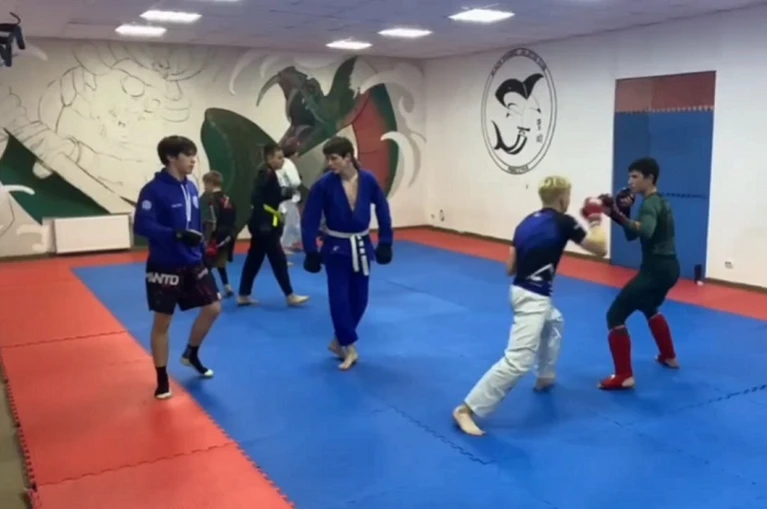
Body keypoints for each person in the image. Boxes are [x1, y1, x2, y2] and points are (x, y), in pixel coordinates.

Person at [453, 176, 607, 436]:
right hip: (533, 298)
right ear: (563, 198)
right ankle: (466, 409)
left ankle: (545, 375)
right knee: (518, 362)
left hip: (518, 291)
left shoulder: (524, 223)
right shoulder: (564, 222)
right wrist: (594, 220)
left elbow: (510, 268)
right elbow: (601, 248)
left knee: (555, 322)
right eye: (568, 196)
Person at [133, 135, 221, 400]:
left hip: (193, 261)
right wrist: (176, 234)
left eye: (194, 154)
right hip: (165, 264)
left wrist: (202, 251)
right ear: (171, 158)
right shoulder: (153, 190)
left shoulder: (192, 187)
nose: (194, 160)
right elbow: (142, 225)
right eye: (188, 155)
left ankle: (191, 353)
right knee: (163, 322)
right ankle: (161, 378)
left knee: (213, 308)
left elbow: (195, 223)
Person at [301, 136, 393, 370]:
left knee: (360, 299)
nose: (330, 163)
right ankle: (349, 346)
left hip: (362, 245)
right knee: (339, 298)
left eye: (334, 159)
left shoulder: (368, 180)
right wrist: (311, 251)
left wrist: (385, 241)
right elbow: (310, 219)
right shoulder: (324, 185)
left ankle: (338, 340)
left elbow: (382, 209)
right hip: (336, 248)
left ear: (348, 157)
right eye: (328, 159)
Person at [598, 157, 680, 390]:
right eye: (629, 176)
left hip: (655, 271)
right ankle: (669, 357)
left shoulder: (650, 204)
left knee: (615, 316)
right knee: (648, 306)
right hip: (669, 268)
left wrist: (616, 214)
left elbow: (645, 231)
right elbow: (631, 235)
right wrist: (622, 211)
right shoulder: (661, 202)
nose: (630, 181)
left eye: (635, 176)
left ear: (649, 178)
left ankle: (624, 375)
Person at [237, 143, 309, 307]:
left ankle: (243, 294)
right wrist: (264, 221)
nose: (282, 160)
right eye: (279, 158)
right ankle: (290, 295)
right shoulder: (266, 173)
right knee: (278, 259)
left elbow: (269, 195)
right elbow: (257, 197)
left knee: (254, 259)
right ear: (270, 158)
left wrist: (284, 194)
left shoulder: (269, 173)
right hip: (264, 223)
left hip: (263, 220)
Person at [201, 170, 237, 297]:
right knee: (221, 262)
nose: (205, 187)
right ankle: (227, 286)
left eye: (205, 184)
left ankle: (215, 291)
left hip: (214, 237)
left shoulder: (208, 199)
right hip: (229, 235)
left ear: (210, 183)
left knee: (206, 265)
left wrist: (206, 240)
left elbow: (210, 221)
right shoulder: (228, 198)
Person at [277, 141, 303, 255]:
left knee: (292, 222)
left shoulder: (283, 165)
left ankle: (289, 244)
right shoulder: (288, 164)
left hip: (284, 198)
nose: (298, 157)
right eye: (297, 154)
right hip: (287, 198)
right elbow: (295, 182)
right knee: (289, 223)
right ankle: (283, 246)